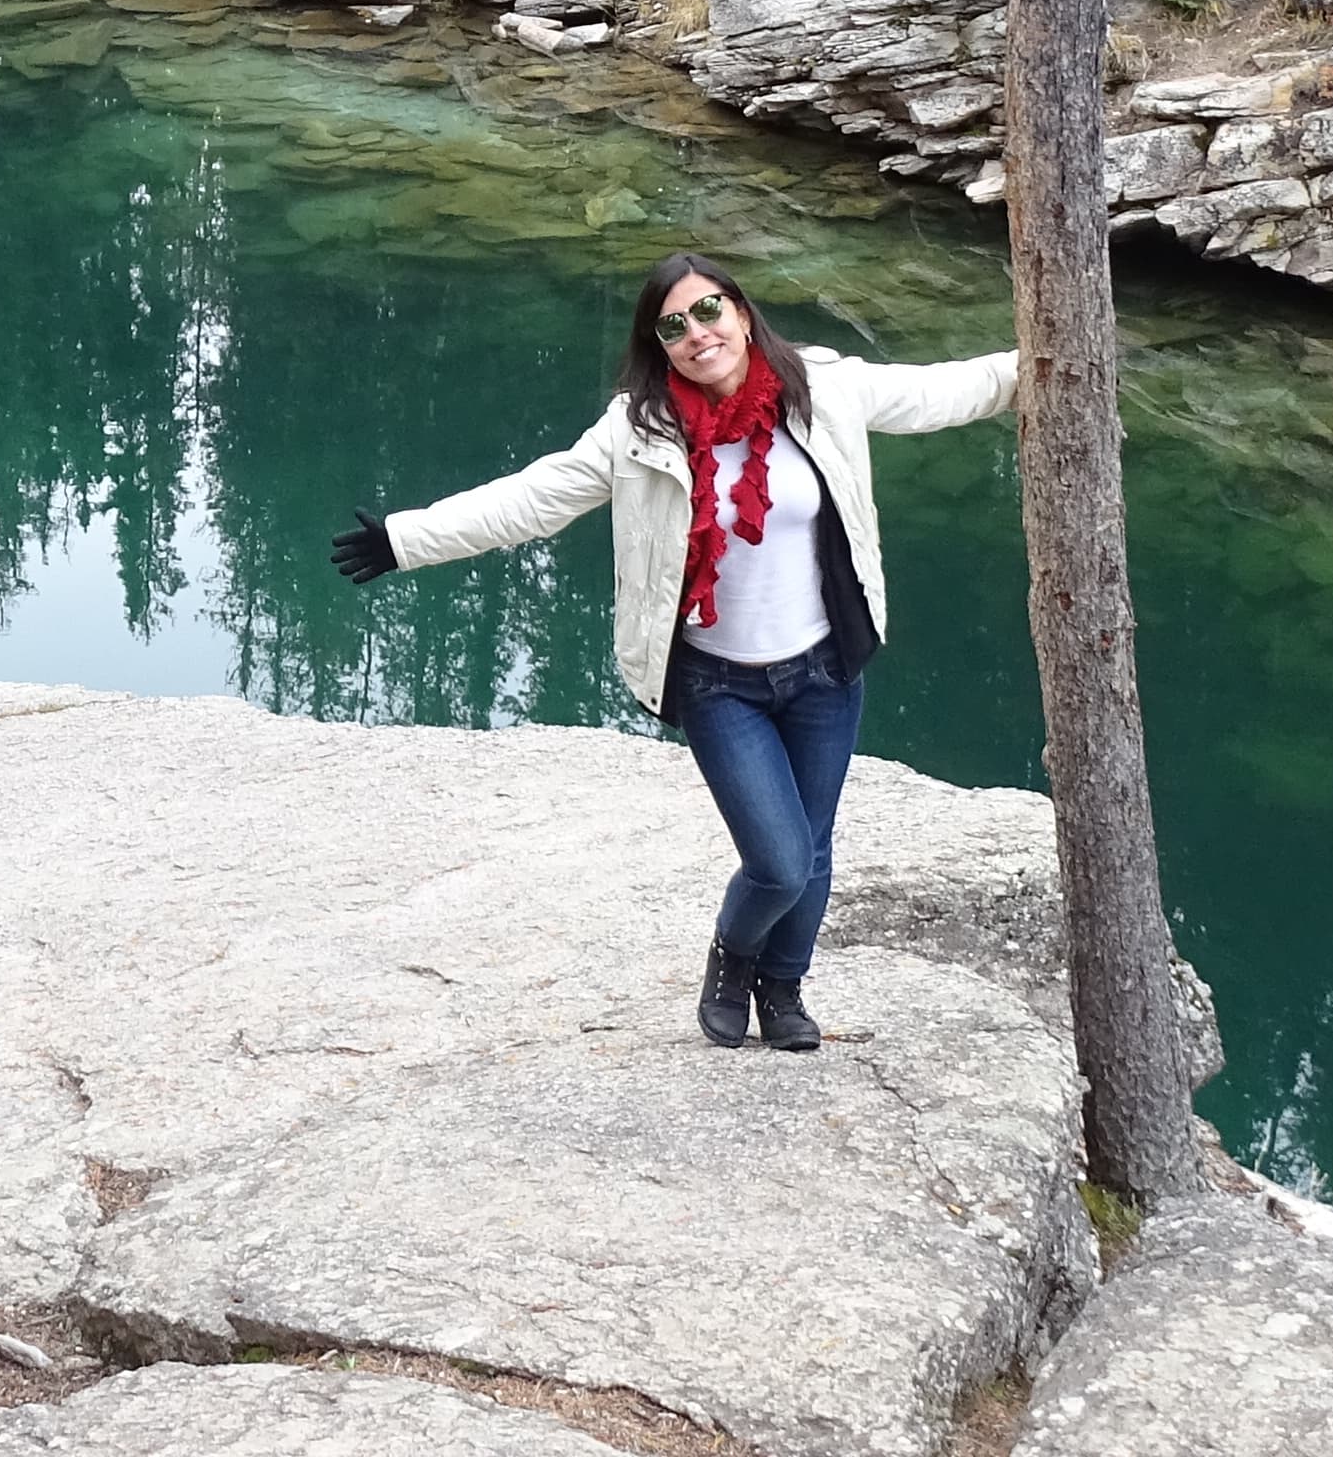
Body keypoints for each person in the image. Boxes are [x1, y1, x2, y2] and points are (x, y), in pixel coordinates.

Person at [329, 253, 1014, 1053]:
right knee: (780, 860)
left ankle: (783, 988)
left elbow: (942, 393)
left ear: (743, 314)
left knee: (815, 848)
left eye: (710, 311)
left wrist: (1039, 364)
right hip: (719, 682)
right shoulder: (639, 432)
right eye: (675, 326)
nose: (698, 334)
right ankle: (732, 956)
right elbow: (533, 497)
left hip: (823, 672)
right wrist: (407, 538)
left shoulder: (824, 391)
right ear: (660, 346)